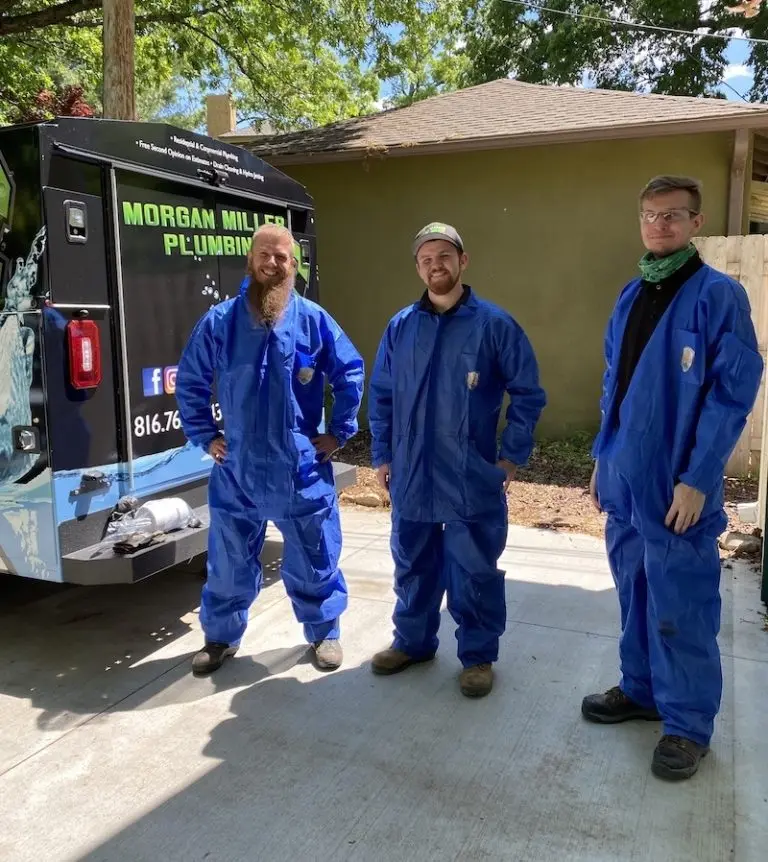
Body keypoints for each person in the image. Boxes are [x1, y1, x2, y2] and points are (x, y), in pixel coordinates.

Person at [585, 176, 763, 781]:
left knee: (680, 603)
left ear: (695, 221)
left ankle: (687, 726)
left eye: (672, 215)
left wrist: (697, 478)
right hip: (628, 480)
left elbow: (730, 395)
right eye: (649, 215)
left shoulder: (718, 297)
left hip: (678, 485)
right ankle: (640, 691)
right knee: (634, 590)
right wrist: (602, 459)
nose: (659, 225)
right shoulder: (631, 296)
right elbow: (615, 385)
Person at [176, 224, 364, 675]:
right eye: (265, 254)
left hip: (299, 467)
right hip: (237, 467)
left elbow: (350, 373)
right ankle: (220, 637)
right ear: (251, 260)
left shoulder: (314, 321)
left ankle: (323, 633)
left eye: (282, 256)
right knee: (227, 561)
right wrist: (206, 434)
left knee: (314, 554)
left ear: (294, 266)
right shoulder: (221, 322)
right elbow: (191, 380)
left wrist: (338, 431)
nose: (273, 263)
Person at [368, 222, 546, 698]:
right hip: (411, 472)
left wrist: (511, 458)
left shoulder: (494, 325)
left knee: (474, 569)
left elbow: (527, 392)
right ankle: (413, 641)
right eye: (426, 258)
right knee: (412, 563)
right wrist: (383, 453)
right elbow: (382, 394)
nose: (435, 265)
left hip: (469, 474)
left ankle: (478, 656)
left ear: (462, 261)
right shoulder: (401, 327)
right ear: (418, 267)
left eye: (444, 255)